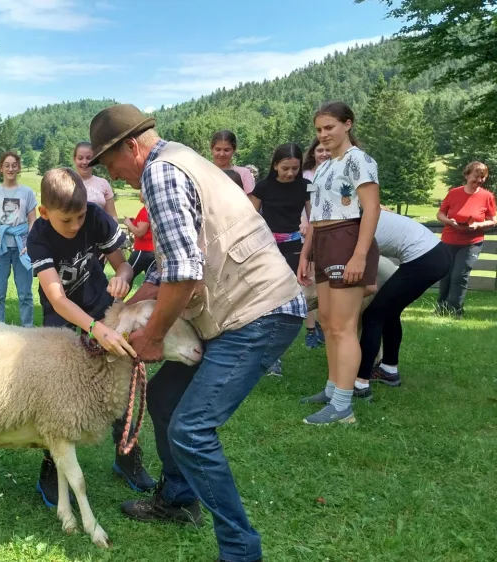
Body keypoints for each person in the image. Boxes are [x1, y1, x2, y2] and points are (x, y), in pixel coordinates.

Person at [89, 104, 305, 562]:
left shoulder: (159, 174)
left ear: (132, 146)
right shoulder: (182, 158)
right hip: (247, 309)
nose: (118, 177)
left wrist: (150, 338)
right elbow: (175, 261)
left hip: (258, 313)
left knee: (191, 430)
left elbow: (185, 272)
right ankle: (179, 500)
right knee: (166, 398)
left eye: (112, 165)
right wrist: (131, 306)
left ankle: (240, 552)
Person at [26, 167, 153, 507]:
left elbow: (122, 265)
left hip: (101, 304)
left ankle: (127, 454)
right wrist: (96, 329)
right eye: (66, 220)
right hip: (62, 318)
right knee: (60, 391)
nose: (76, 226)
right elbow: (57, 298)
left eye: (80, 217)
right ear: (44, 213)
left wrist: (123, 279)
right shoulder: (38, 237)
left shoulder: (95, 217)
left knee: (120, 376)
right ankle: (52, 467)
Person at [298, 101, 381, 425]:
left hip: (347, 239)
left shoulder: (359, 160)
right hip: (323, 241)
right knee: (329, 322)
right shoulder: (325, 165)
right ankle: (333, 389)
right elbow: (315, 216)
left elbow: (371, 209)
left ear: (348, 124)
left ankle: (343, 407)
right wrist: (306, 254)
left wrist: (359, 255)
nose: (323, 135)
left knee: (344, 326)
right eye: (319, 130)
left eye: (329, 127)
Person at [351, 209, 452, 400]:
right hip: (436, 254)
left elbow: (370, 286)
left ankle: (360, 382)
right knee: (389, 313)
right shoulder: (365, 217)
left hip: (425, 260)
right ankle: (389, 370)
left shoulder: (360, 229)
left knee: (373, 316)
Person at [248, 143, 312, 376]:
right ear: (275, 165)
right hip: (266, 248)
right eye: (285, 168)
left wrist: (306, 254)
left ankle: (276, 353)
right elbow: (250, 219)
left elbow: (313, 221)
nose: (290, 173)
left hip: (294, 247)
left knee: (287, 302)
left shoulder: (305, 186)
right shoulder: (263, 187)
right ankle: (264, 353)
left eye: (295, 168)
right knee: (266, 299)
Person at [435, 162, 495, 317]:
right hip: (448, 240)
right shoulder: (454, 193)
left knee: (459, 275)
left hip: (471, 243)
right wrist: (449, 221)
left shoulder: (487, 196)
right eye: (476, 176)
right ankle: (441, 308)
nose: (479, 180)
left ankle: (455, 310)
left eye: (483, 177)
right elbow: (440, 214)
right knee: (446, 275)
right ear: (467, 175)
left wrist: (478, 225)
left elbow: (494, 220)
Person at [0, 151, 37, 326]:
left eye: (14, 165)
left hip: (22, 246)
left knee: (25, 293)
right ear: (1, 168)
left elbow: (32, 221)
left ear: (19, 168)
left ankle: (27, 329)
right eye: (6, 165)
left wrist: (29, 245)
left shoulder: (27, 192)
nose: (10, 168)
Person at [300, 138, 332, 348]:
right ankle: (311, 329)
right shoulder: (306, 176)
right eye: (320, 150)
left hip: (330, 231)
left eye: (328, 150)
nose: (324, 153)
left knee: (327, 279)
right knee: (309, 281)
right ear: (313, 153)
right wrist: (304, 222)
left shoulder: (337, 172)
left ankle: (325, 322)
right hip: (307, 231)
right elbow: (303, 205)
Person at [73, 141, 118, 219]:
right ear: (74, 159)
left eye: (88, 158)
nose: (84, 162)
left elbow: (112, 216)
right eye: (80, 158)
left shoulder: (103, 183)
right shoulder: (65, 182)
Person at [122, 190, 155, 282]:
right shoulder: (152, 209)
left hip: (143, 251)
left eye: (141, 191)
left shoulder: (145, 210)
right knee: (150, 281)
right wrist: (135, 222)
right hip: (153, 251)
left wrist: (128, 224)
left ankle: (115, 296)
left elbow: (140, 233)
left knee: (125, 277)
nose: (139, 194)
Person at [210, 130, 255, 194]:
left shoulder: (244, 173)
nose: (222, 154)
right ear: (211, 149)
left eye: (226, 150)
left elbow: (251, 202)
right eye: (218, 150)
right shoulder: (202, 171)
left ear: (234, 150)